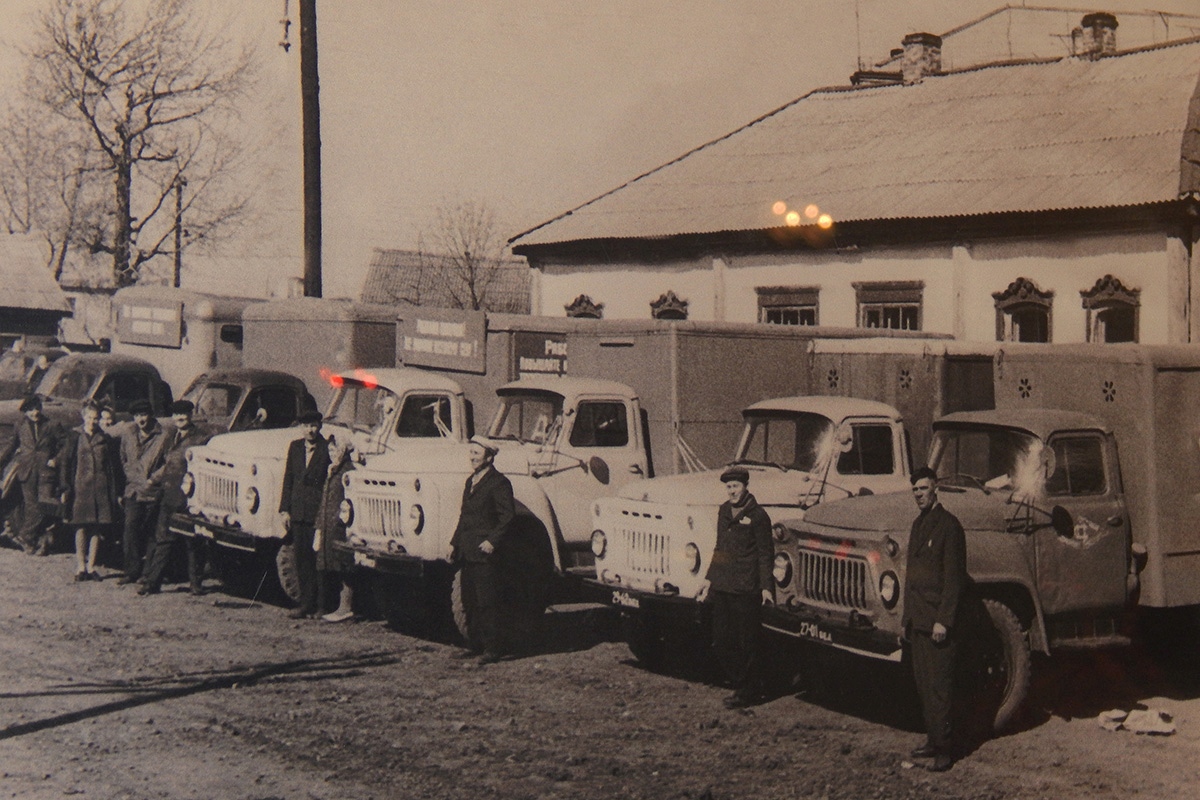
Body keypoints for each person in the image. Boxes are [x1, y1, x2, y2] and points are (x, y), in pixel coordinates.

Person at [902, 466, 968, 773]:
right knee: (924, 685)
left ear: (935, 489)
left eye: (923, 489)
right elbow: (911, 576)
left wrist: (945, 620)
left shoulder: (949, 526)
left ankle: (945, 750)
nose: (919, 495)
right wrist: (906, 619)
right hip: (919, 620)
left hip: (938, 623)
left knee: (940, 687)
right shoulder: (918, 525)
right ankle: (933, 738)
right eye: (915, 490)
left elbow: (954, 579)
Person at [701, 466, 773, 709]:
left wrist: (766, 587)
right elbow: (719, 547)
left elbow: (765, 554)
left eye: (736, 486)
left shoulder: (759, 516)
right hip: (723, 585)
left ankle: (748, 691)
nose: (732, 491)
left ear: (745, 487)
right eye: (729, 487)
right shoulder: (723, 511)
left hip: (746, 587)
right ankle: (745, 682)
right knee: (721, 640)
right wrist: (708, 579)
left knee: (748, 641)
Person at [450, 436, 515, 664]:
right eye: (471, 453)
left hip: (485, 553)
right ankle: (475, 645)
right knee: (469, 601)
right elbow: (464, 515)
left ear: (489, 457)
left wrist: (492, 542)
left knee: (487, 601)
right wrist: (454, 543)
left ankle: (493, 649)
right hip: (467, 550)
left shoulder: (499, 483)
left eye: (477, 454)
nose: (472, 458)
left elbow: (507, 517)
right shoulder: (470, 481)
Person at [138, 400, 211, 597]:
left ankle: (196, 585)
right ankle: (152, 584)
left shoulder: (201, 439)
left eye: (184, 414)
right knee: (163, 541)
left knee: (192, 543)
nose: (180, 417)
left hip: (188, 499)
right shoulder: (171, 436)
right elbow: (167, 465)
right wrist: (153, 480)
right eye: (176, 414)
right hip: (168, 496)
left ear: (191, 415)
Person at [58, 402, 122, 581]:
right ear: (83, 417)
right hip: (81, 489)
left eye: (96, 418)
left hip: (100, 489)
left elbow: (112, 468)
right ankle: (80, 566)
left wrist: (114, 491)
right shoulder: (74, 437)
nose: (92, 421)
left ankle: (91, 566)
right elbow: (66, 463)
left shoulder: (105, 439)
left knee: (96, 527)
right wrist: (65, 487)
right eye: (89, 417)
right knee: (80, 526)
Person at [279, 410, 330, 619]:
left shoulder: (327, 449)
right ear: (301, 427)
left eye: (314, 425)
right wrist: (284, 509)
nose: (310, 430)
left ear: (320, 427)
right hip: (297, 512)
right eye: (307, 426)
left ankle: (322, 606)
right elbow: (288, 477)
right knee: (301, 560)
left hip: (316, 513)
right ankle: (304, 604)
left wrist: (323, 514)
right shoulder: (295, 447)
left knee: (318, 560)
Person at [0, 395, 64, 555]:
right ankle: (34, 540)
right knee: (30, 506)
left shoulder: (52, 425)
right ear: (25, 412)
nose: (34, 413)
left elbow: (65, 445)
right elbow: (12, 446)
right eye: (30, 410)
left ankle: (25, 536)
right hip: (26, 472)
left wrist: (56, 459)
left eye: (36, 409)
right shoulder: (20, 426)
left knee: (43, 506)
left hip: (46, 473)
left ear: (41, 409)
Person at [116, 399, 169, 585]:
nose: (141, 419)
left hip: (152, 491)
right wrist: (132, 476)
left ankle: (148, 573)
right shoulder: (128, 433)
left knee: (152, 532)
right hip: (132, 490)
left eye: (144, 415)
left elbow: (167, 463)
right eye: (137, 416)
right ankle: (131, 571)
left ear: (151, 415)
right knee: (130, 528)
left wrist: (153, 479)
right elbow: (123, 457)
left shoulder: (163, 435)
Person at [314, 434, 356, 622]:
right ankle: (334, 605)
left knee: (343, 566)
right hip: (327, 525)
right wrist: (318, 527)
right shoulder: (332, 470)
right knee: (329, 565)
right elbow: (324, 501)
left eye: (335, 450)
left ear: (344, 451)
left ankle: (346, 607)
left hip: (340, 527)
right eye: (330, 450)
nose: (332, 454)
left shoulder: (348, 472)